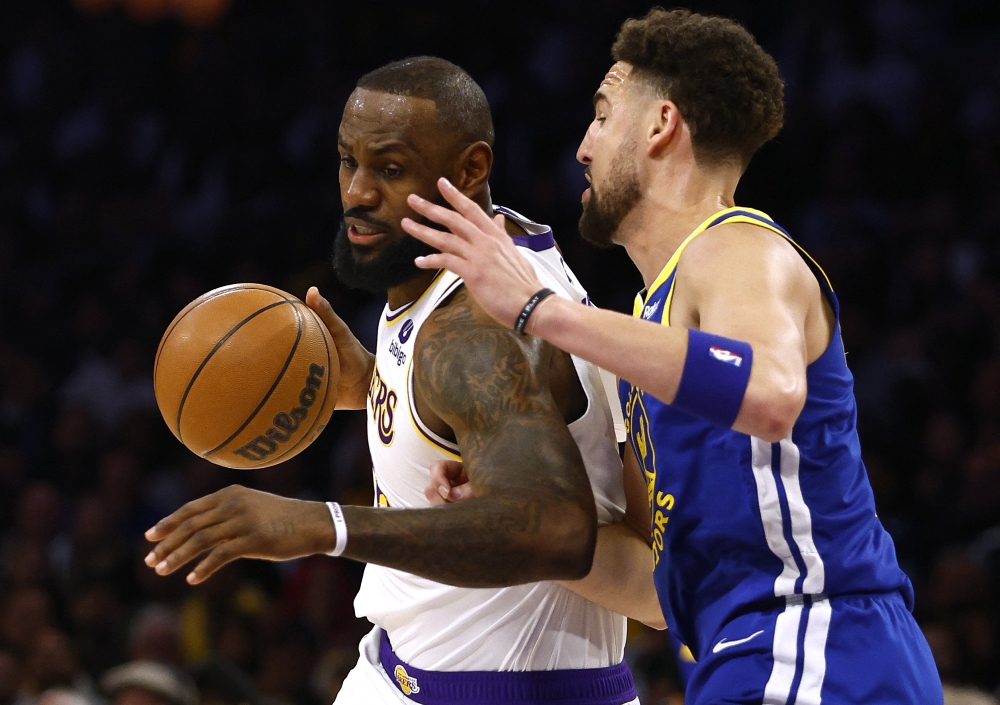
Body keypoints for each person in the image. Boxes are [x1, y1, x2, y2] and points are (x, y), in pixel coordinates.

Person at [401, 9, 943, 705]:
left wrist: (539, 307)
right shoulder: (650, 330)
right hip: (746, 653)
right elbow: (653, 590)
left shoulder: (738, 247)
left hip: (816, 641)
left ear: (661, 125)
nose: (582, 148)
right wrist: (516, 512)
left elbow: (770, 393)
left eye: (602, 116)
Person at [143, 57, 655, 705]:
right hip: (395, 670)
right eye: (347, 160)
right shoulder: (473, 245)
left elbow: (555, 530)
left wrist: (322, 525)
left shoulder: (478, 328)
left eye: (389, 168)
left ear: (471, 170)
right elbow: (481, 412)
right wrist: (379, 384)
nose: (357, 191)